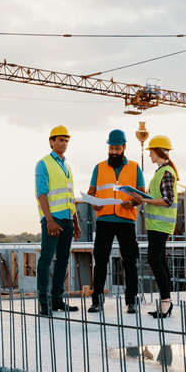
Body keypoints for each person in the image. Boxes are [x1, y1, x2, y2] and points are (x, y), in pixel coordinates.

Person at [87, 129, 144, 314]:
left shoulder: (135, 168)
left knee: (129, 262)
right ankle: (97, 301)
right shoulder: (99, 167)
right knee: (100, 261)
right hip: (104, 220)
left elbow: (141, 196)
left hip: (126, 221)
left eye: (117, 148)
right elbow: (91, 193)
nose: (113, 152)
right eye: (111, 148)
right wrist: (93, 203)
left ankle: (131, 301)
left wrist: (132, 202)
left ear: (124, 147)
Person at [34, 124, 81, 315]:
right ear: (51, 142)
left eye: (66, 140)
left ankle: (57, 300)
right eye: (61, 140)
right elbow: (41, 193)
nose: (64, 143)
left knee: (63, 261)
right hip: (52, 220)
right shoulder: (43, 163)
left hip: (67, 220)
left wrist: (75, 222)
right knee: (46, 259)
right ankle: (44, 302)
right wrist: (49, 220)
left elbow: (70, 197)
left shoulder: (67, 166)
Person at [138, 135, 179, 318]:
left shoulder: (166, 172)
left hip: (161, 225)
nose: (149, 155)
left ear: (158, 151)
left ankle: (166, 302)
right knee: (160, 261)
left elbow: (168, 200)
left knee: (154, 260)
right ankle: (166, 303)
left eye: (151, 152)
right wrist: (141, 197)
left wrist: (145, 199)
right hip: (156, 225)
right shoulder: (161, 171)